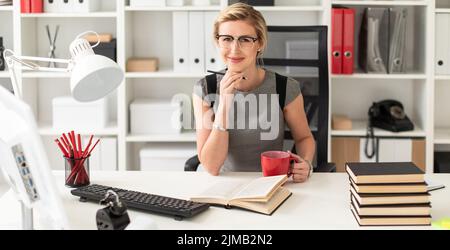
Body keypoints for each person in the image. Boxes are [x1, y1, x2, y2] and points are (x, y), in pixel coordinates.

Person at [192, 3, 315, 183]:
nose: (234, 49)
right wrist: (225, 102)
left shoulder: (284, 88)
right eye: (226, 38)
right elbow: (211, 166)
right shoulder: (205, 89)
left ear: (260, 43)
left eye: (245, 39)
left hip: (270, 182)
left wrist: (306, 163)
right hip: (222, 183)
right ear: (218, 41)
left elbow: (304, 138)